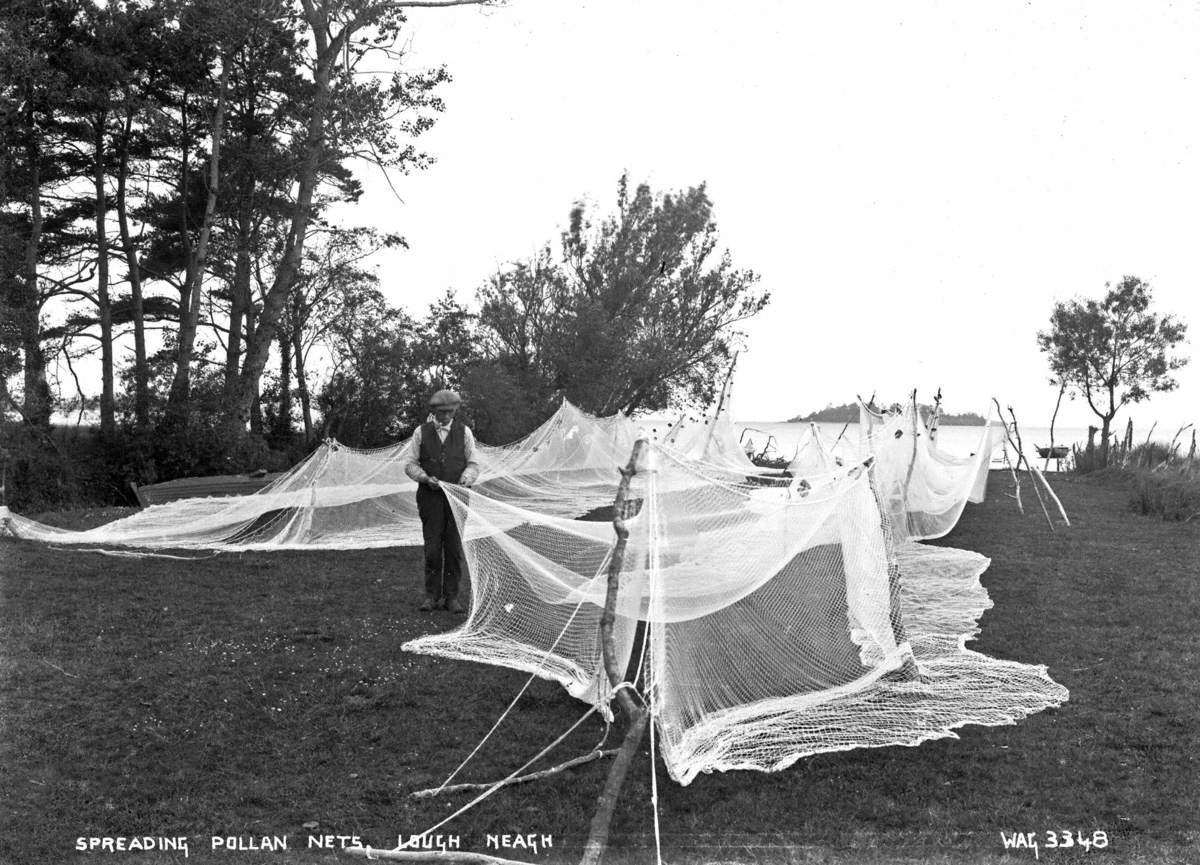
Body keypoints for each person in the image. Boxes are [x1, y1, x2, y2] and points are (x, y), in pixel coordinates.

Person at [403, 389, 480, 614]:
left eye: (449, 412)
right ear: (433, 411)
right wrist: (425, 478)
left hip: (458, 498)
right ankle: (431, 596)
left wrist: (465, 479)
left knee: (454, 549)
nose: (445, 416)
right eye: (440, 412)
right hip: (430, 498)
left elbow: (473, 464)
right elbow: (410, 464)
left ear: (456, 411)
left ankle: (452, 597)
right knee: (433, 549)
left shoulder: (465, 432)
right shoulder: (420, 432)